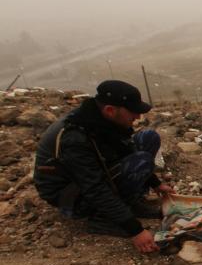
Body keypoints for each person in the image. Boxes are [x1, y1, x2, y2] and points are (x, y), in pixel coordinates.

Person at [34, 80, 172, 253]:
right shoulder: (76, 136)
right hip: (69, 195)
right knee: (140, 161)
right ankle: (102, 219)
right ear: (110, 110)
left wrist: (156, 183)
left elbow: (126, 149)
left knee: (148, 138)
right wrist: (135, 230)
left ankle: (131, 202)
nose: (137, 117)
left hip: (88, 176)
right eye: (133, 112)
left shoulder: (102, 120)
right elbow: (94, 187)